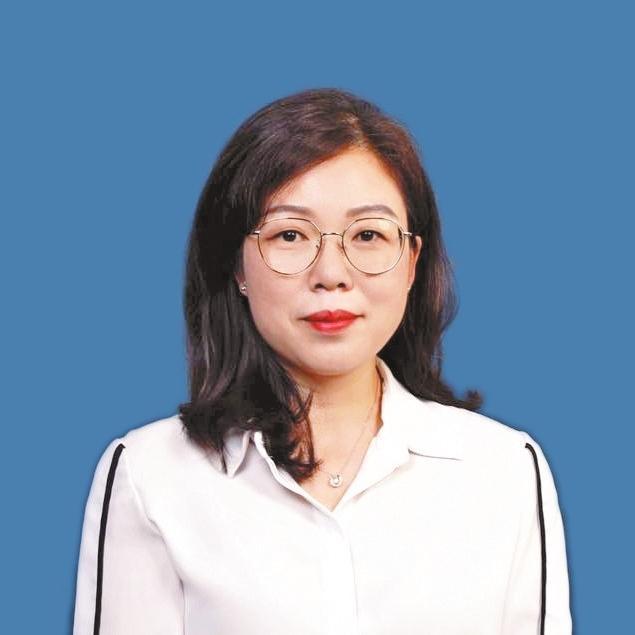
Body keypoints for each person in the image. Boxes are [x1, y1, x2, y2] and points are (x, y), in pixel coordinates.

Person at [72, 87, 573, 634]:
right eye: (290, 234)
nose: (331, 274)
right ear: (237, 266)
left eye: (368, 234)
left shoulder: (504, 471)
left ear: (411, 262)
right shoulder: (151, 476)